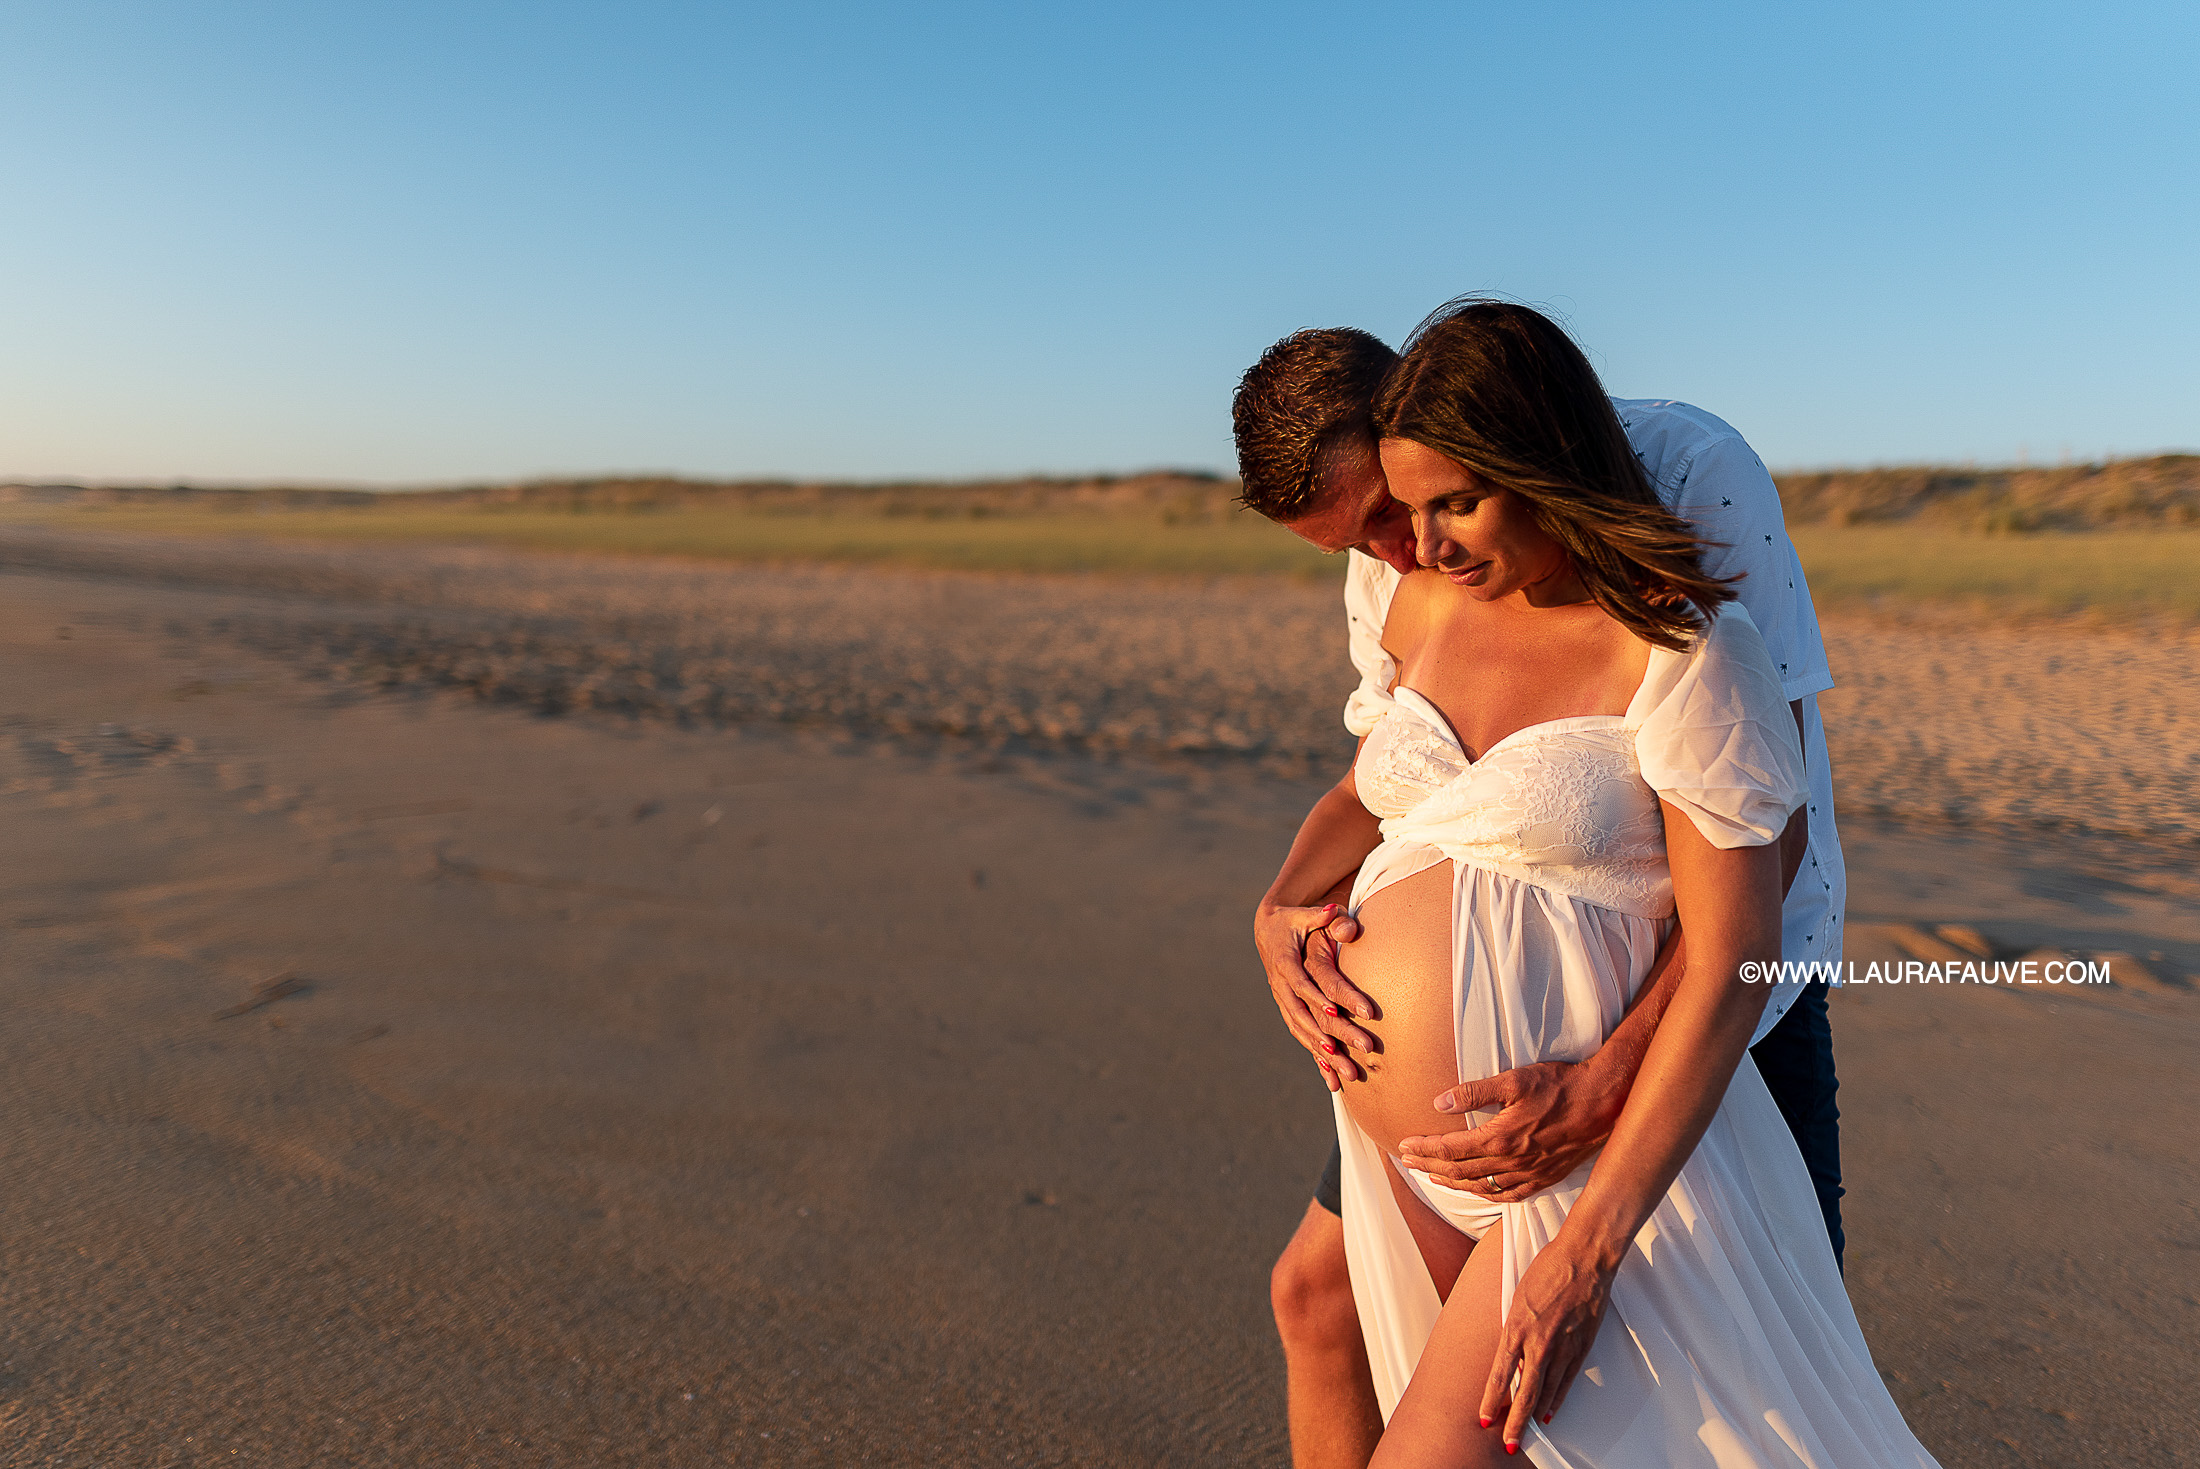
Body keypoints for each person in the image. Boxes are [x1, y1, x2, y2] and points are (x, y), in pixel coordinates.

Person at [1233, 302, 1876, 1467]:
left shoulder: (1692, 507)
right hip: (1440, 1138)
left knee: (1750, 1386)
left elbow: (1757, 879)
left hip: (1672, 1050)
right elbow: (1385, 783)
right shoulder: (1409, 572)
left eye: (1424, 507)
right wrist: (1278, 911)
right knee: (1349, 1323)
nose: (1403, 553)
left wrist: (1602, 1092)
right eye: (1378, 529)